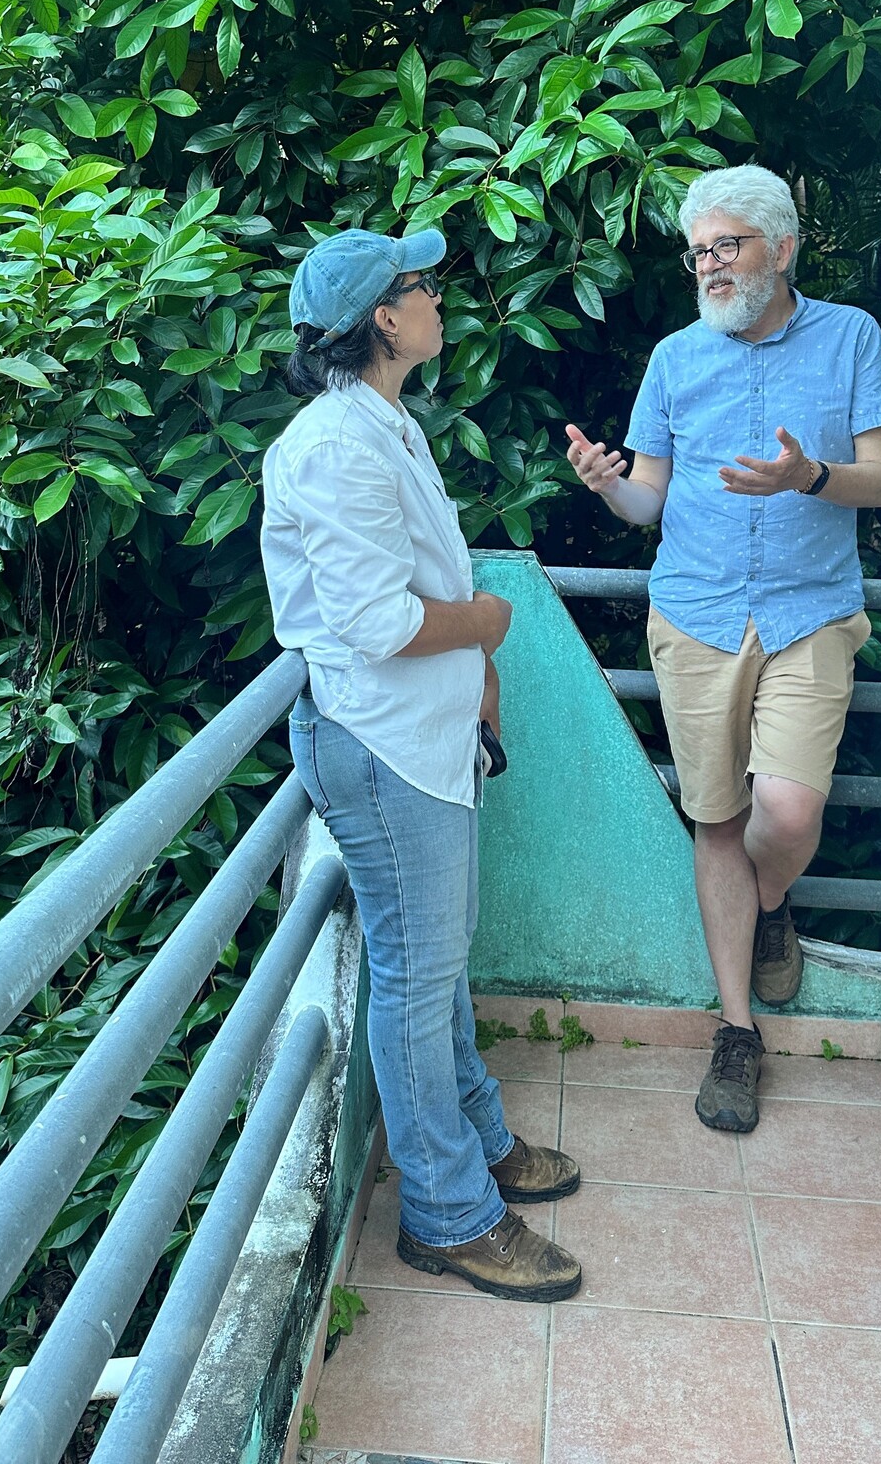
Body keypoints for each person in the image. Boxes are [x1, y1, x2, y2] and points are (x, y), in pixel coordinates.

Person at [261, 225, 584, 1301]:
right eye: (422, 286)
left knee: (433, 964)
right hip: (379, 742)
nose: (438, 297)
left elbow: (414, 583)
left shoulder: (383, 423)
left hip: (419, 733)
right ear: (381, 321)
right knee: (414, 973)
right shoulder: (333, 445)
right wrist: (489, 623)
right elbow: (379, 620)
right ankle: (447, 1213)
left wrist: (476, 670)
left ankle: (478, 1141)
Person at [565, 165, 881, 1134]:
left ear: (783, 246)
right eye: (699, 251)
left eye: (728, 245)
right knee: (715, 818)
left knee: (787, 811)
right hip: (697, 612)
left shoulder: (851, 338)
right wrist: (606, 485)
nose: (709, 264)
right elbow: (649, 502)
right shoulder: (675, 357)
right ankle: (736, 1029)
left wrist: (810, 476)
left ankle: (766, 901)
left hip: (809, 612)